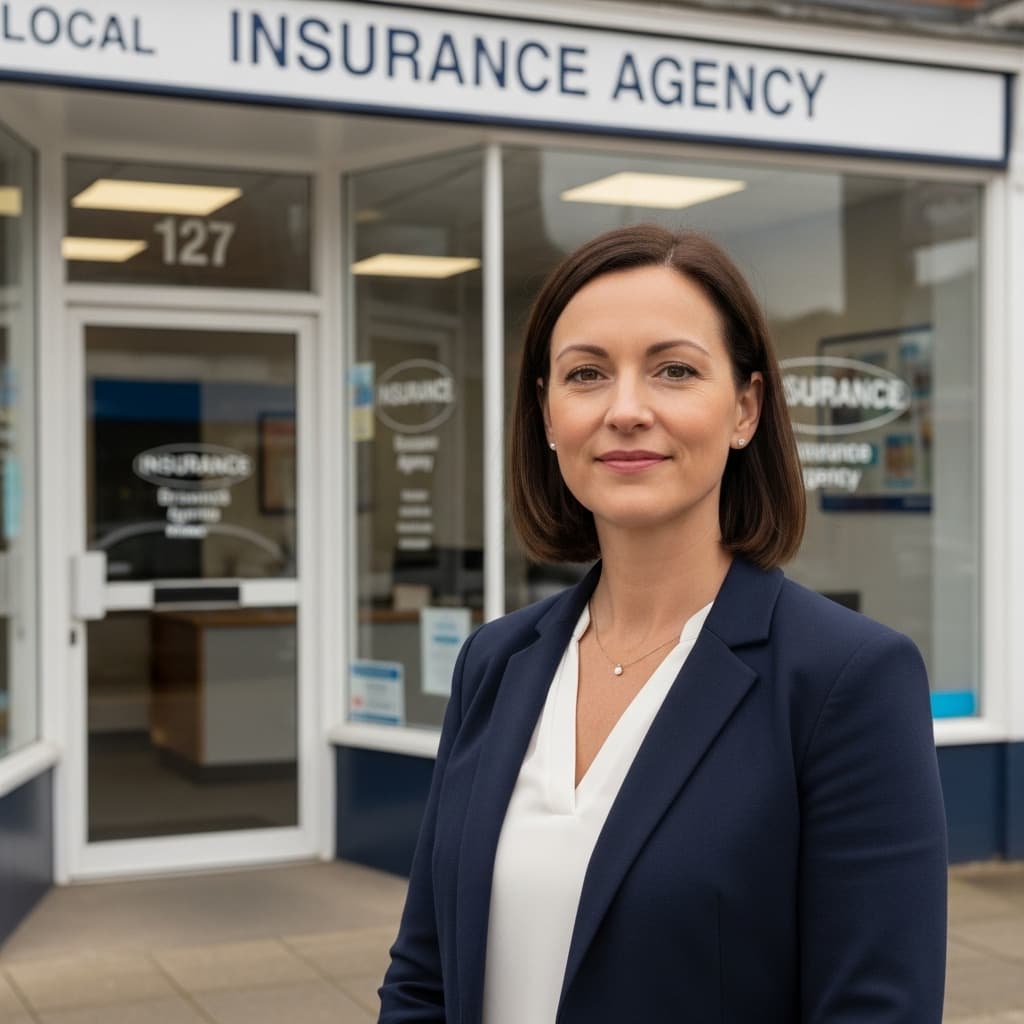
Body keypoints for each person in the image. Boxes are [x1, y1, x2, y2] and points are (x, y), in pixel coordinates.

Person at [378, 225, 947, 1023]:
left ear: (745, 407)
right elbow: (423, 976)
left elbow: (876, 1010)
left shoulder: (846, 680)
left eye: (674, 370)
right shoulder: (496, 662)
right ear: (547, 413)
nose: (627, 410)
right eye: (586, 374)